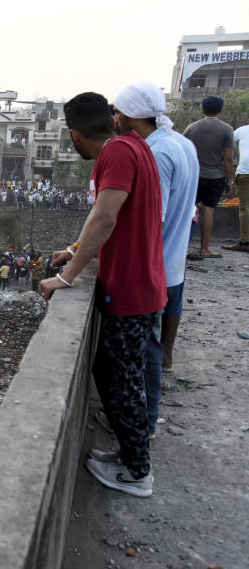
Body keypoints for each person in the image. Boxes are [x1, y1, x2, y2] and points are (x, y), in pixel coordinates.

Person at [41, 92, 165, 498]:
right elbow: (113, 217)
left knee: (121, 381)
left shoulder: (116, 155)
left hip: (132, 289)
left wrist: (67, 277)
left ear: (74, 135)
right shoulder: (135, 146)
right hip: (142, 282)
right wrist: (76, 249)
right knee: (115, 375)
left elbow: (106, 216)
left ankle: (137, 473)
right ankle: (130, 459)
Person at [111, 82, 199, 438]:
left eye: (117, 112)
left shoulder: (157, 152)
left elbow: (152, 218)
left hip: (154, 265)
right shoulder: (183, 143)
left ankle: (142, 425)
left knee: (144, 349)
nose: (114, 119)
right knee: (154, 344)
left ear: (131, 115)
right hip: (173, 261)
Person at [183, 96, 234, 258]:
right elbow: (228, 158)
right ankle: (204, 249)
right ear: (220, 110)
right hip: (215, 177)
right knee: (208, 211)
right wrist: (230, 180)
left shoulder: (191, 127)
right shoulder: (226, 129)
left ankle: (181, 247)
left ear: (203, 109)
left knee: (187, 211)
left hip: (193, 175)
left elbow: (183, 151)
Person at [221, 119, 249, 252]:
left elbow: (226, 148)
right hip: (245, 172)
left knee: (246, 208)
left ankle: (245, 242)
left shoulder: (241, 131)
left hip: (245, 172)